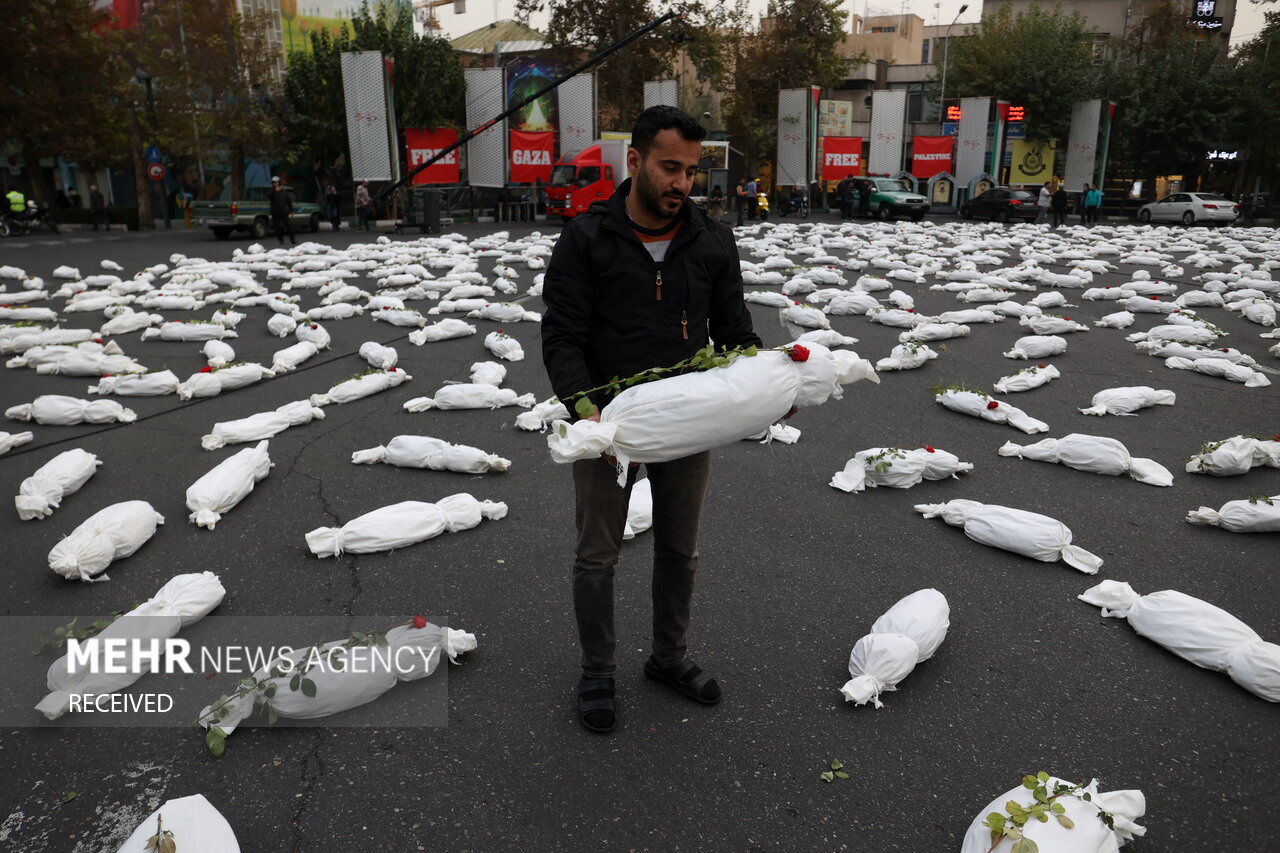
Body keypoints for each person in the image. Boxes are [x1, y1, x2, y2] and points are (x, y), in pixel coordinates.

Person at [541, 105, 764, 735]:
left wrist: (771, 387)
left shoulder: (712, 241)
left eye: (692, 171)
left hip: (687, 423)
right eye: (670, 168)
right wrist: (587, 413)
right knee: (597, 556)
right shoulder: (587, 238)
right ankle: (598, 672)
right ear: (634, 161)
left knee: (679, 550)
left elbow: (737, 335)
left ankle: (669, 659)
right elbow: (561, 336)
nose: (682, 183)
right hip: (606, 423)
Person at [268, 176, 296, 245]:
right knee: (277, 228)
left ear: (279, 182)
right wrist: (274, 191)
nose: (275, 184)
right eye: (274, 182)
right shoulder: (271, 190)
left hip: (284, 212)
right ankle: (281, 240)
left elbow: (289, 201)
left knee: (289, 226)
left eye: (277, 182)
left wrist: (291, 211)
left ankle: (293, 240)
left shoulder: (284, 191)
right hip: (275, 212)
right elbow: (269, 195)